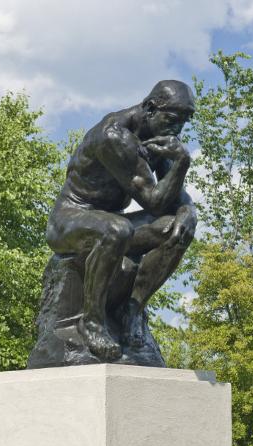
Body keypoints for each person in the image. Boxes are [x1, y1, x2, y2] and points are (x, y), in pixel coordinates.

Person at [46, 80, 197, 361]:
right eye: (173, 120)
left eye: (184, 123)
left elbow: (175, 199)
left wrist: (189, 212)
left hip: (111, 222)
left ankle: (133, 310)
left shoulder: (155, 138)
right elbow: (153, 200)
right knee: (117, 229)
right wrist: (181, 163)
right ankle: (91, 323)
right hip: (69, 219)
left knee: (173, 228)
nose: (178, 130)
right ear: (151, 108)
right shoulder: (113, 136)